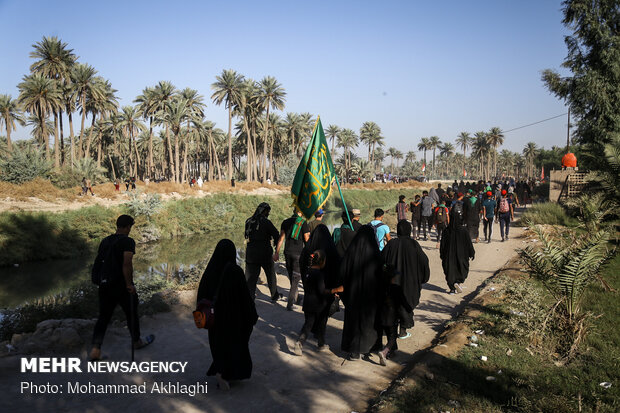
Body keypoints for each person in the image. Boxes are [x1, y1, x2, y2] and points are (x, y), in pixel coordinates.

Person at [89, 215, 154, 361]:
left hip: (104, 284)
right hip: (121, 285)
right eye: (130, 227)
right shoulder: (127, 241)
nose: (130, 229)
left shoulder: (106, 240)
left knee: (103, 317)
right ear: (127, 227)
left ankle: (95, 350)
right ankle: (136, 342)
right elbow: (127, 264)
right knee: (131, 314)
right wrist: (129, 284)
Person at [206, 262, 258, 390]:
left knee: (221, 348)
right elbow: (249, 306)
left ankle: (221, 371)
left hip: (218, 326)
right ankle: (228, 374)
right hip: (237, 325)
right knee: (236, 348)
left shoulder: (213, 276)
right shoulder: (237, 278)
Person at [382, 220, 430, 340]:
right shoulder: (414, 245)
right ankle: (402, 330)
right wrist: (423, 277)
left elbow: (381, 260)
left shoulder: (391, 244)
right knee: (405, 303)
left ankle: (392, 334)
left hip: (392, 282)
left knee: (393, 306)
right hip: (410, 282)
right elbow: (424, 261)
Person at [340, 226, 383, 360]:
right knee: (371, 321)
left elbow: (342, 273)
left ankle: (354, 351)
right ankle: (373, 347)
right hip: (372, 295)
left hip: (353, 294)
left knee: (354, 320)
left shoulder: (350, 252)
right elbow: (382, 274)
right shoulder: (375, 253)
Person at [294, 250, 342, 355]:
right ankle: (321, 344)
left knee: (308, 325)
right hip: (319, 304)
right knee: (321, 325)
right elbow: (322, 291)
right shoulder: (319, 274)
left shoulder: (307, 272)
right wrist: (336, 290)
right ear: (321, 262)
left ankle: (300, 343)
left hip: (308, 303)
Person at [375, 265, 413, 366]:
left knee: (388, 333)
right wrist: (409, 310)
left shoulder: (379, 287)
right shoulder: (397, 288)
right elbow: (404, 302)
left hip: (380, 316)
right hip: (392, 317)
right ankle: (384, 351)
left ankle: (391, 352)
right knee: (392, 337)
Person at [244, 202, 282, 302]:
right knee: (270, 275)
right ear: (264, 211)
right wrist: (275, 246)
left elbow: (246, 235)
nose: (268, 214)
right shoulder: (266, 222)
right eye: (268, 212)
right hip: (264, 251)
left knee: (250, 278)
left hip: (251, 252)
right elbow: (276, 234)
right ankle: (274, 296)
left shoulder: (248, 221)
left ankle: (249, 298)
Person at [273, 210, 311, 310]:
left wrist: (276, 252)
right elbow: (307, 239)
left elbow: (281, 239)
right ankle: (290, 303)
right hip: (298, 253)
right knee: (296, 279)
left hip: (287, 252)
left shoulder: (285, 222)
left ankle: (297, 298)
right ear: (301, 212)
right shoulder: (302, 223)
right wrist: (310, 252)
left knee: (291, 276)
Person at [440, 209, 476, 294]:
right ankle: (458, 283)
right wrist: (472, 253)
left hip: (449, 256)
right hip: (462, 255)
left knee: (450, 270)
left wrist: (442, 254)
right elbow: (468, 243)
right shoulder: (463, 230)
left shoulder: (446, 231)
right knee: (461, 268)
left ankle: (452, 288)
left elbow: (443, 245)